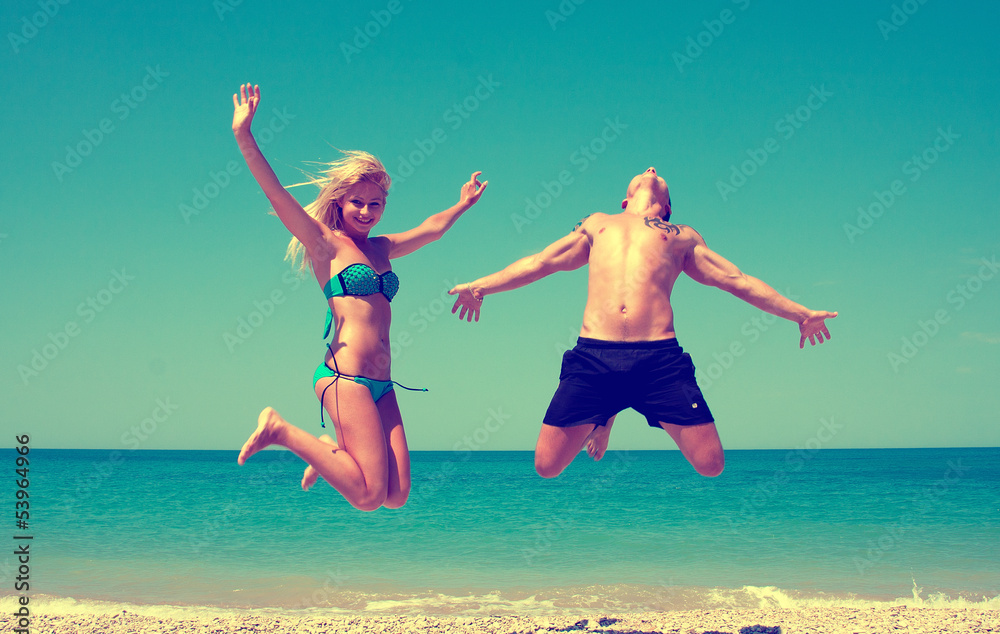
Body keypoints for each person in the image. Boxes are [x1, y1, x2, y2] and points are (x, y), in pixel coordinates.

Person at [449, 167, 836, 478]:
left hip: (659, 362)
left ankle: (610, 410)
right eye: (644, 172)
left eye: (660, 176)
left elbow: (738, 280)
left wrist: (800, 314)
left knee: (711, 465)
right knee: (546, 466)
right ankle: (607, 411)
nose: (651, 169)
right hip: (594, 359)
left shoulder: (681, 237)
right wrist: (480, 287)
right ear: (625, 198)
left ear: (667, 207)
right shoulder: (597, 224)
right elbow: (540, 262)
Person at [232, 83, 487, 510]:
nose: (367, 212)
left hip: (383, 382)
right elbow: (276, 194)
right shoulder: (324, 243)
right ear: (340, 200)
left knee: (397, 495)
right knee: (368, 496)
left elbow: (430, 229)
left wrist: (461, 205)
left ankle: (331, 451)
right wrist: (244, 135)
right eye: (357, 202)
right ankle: (280, 430)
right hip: (343, 378)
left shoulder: (382, 248)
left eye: (376, 203)